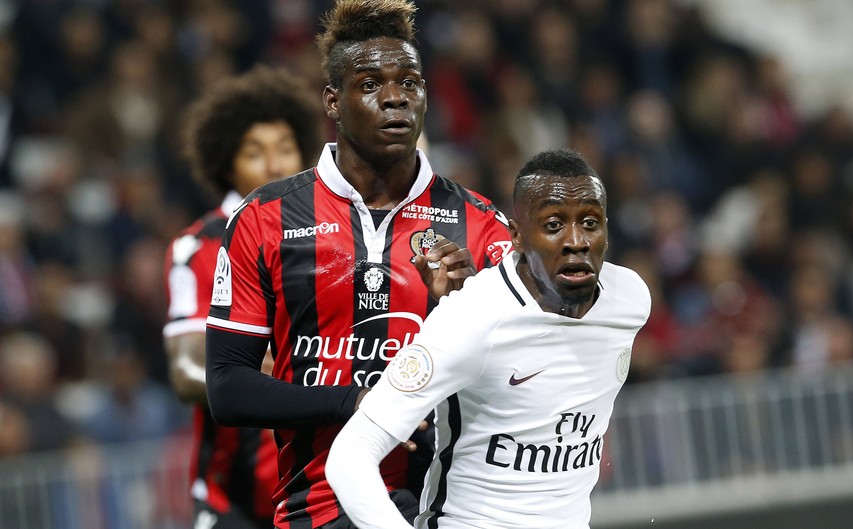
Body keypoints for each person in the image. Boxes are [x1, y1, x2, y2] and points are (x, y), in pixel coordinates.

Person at [204, 1, 512, 528]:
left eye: (410, 83)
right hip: (318, 508)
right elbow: (227, 386)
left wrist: (458, 311)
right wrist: (358, 402)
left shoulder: (482, 225)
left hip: (452, 507)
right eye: (370, 83)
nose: (394, 98)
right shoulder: (263, 219)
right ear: (333, 100)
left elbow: (525, 378)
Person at [325, 148, 652, 529]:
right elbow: (350, 456)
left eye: (591, 223)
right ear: (516, 236)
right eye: (553, 225)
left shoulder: (630, 299)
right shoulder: (473, 318)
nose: (576, 241)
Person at [163, 65, 322, 529]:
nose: (274, 166)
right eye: (254, 152)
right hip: (233, 500)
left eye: (286, 149)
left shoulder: (338, 238)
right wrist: (250, 370)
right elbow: (185, 370)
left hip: (319, 488)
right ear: (226, 161)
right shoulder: (200, 247)